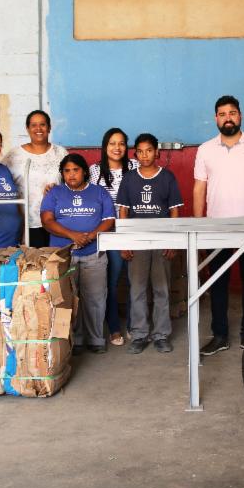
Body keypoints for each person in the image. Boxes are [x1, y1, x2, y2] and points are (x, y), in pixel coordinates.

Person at [193, 95, 244, 355]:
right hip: (216, 229)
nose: (227, 117)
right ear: (215, 118)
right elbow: (199, 189)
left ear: (240, 116)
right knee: (218, 283)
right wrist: (199, 228)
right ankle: (220, 335)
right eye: (222, 113)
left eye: (232, 113)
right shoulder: (205, 149)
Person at [40, 154, 116, 354]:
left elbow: (109, 220)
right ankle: (74, 340)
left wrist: (89, 236)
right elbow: (47, 221)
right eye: (67, 171)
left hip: (94, 254)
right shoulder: (54, 193)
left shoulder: (99, 192)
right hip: (64, 257)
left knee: (95, 297)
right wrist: (72, 235)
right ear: (62, 174)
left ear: (84, 171)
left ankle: (96, 338)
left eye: (76, 170)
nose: (71, 174)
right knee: (67, 298)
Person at [117, 133, 184, 354]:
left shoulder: (167, 177)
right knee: (137, 289)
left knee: (161, 289)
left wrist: (173, 241)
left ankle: (161, 335)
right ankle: (139, 334)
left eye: (149, 150)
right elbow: (123, 211)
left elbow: (175, 210)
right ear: (135, 154)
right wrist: (124, 242)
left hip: (162, 240)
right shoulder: (129, 178)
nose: (145, 155)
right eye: (140, 151)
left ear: (157, 152)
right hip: (137, 241)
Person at [89, 128, 139, 347]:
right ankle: (114, 327)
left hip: (134, 230)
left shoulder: (135, 167)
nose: (117, 148)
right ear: (104, 146)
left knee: (135, 280)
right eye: (112, 143)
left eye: (121, 143)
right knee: (111, 280)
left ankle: (133, 325)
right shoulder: (95, 171)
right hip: (109, 232)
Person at [2, 109, 68, 248]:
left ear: (49, 128)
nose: (38, 128)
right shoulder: (13, 155)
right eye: (33, 125)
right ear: (27, 128)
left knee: (55, 264)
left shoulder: (61, 153)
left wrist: (59, 190)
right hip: (26, 223)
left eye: (43, 124)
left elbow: (72, 184)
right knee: (32, 265)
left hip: (57, 220)